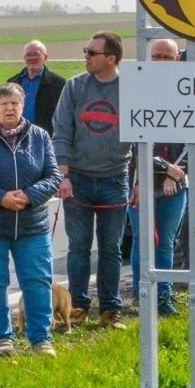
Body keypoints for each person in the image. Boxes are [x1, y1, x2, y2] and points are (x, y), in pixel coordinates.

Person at [0, 84, 63, 356]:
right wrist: (0, 197)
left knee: (38, 280)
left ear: (22, 105)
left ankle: (41, 338)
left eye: (14, 103)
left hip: (32, 225)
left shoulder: (40, 137)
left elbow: (53, 177)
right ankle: (1, 338)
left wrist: (29, 195)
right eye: (3, 103)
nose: (9, 108)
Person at [51, 32, 132, 329]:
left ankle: (111, 309)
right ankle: (78, 307)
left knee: (111, 248)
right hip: (79, 180)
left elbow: (144, 135)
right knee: (79, 247)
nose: (85, 56)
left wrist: (137, 181)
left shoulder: (131, 88)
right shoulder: (75, 87)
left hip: (115, 179)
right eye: (86, 51)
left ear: (110, 58)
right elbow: (61, 131)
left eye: (91, 52)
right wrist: (65, 174)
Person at [125, 40, 190, 317]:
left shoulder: (191, 92)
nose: (162, 61)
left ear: (177, 59)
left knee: (166, 242)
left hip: (178, 183)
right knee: (143, 241)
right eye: (157, 56)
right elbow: (133, 143)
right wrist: (165, 169)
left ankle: (163, 298)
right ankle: (144, 296)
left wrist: (177, 172)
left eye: (167, 56)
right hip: (140, 181)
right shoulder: (134, 90)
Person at [8, 39, 66, 133]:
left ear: (45, 57)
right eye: (28, 55)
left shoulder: (58, 84)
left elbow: (64, 116)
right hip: (17, 137)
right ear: (24, 58)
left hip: (45, 139)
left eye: (36, 54)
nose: (32, 58)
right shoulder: (13, 83)